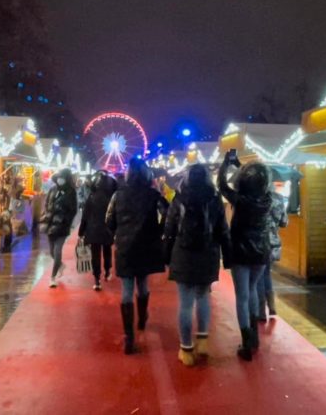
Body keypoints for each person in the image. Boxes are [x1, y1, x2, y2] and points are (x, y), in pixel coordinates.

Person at [164, 164, 230, 366]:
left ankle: (186, 350)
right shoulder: (214, 199)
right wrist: (227, 256)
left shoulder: (179, 198)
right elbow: (222, 229)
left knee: (185, 303)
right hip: (207, 254)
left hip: (183, 254)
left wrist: (166, 257)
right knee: (203, 297)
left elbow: (170, 228)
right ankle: (202, 342)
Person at [106, 158, 169, 354]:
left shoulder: (119, 195)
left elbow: (109, 219)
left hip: (125, 246)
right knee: (142, 283)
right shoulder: (153, 194)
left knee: (126, 288)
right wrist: (157, 231)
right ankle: (142, 318)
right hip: (146, 245)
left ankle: (129, 336)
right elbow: (168, 213)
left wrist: (118, 233)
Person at [218, 151, 273, 361]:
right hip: (261, 251)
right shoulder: (267, 199)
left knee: (242, 296)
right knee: (252, 291)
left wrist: (227, 164)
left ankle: (246, 342)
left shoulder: (239, 200)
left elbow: (223, 185)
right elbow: (255, 180)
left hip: (240, 250)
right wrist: (242, 167)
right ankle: (254, 336)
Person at [78, 170, 117, 291]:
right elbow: (114, 215)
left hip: (93, 229)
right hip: (107, 229)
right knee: (107, 250)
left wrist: (81, 231)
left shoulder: (91, 197)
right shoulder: (111, 198)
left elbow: (85, 216)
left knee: (95, 254)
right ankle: (107, 271)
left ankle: (97, 279)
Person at [41, 168, 78, 288]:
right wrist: (47, 214)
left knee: (57, 251)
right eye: (58, 177)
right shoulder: (52, 189)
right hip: (50, 224)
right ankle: (60, 265)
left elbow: (73, 210)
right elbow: (47, 203)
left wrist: (66, 221)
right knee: (51, 251)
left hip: (62, 226)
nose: (59, 179)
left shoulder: (71, 192)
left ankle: (52, 277)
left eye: (62, 177)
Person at [257, 190, 287, 322]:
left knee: (259, 276)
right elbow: (284, 222)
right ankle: (272, 305)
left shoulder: (255, 197)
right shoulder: (279, 199)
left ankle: (261, 310)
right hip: (273, 243)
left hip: (257, 242)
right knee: (267, 274)